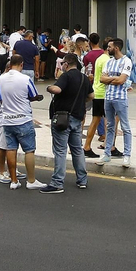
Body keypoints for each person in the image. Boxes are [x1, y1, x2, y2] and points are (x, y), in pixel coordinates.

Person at [41, 53, 90, 194]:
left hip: (63, 119)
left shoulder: (66, 76)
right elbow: (91, 95)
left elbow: (57, 89)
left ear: (66, 64)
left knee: (60, 150)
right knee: (77, 149)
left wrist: (49, 87)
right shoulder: (84, 78)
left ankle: (57, 183)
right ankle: (82, 180)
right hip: (77, 118)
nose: (62, 65)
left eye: (62, 63)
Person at [0, 56, 45, 188]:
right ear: (21, 64)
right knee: (29, 150)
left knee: (11, 149)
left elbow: (0, 99)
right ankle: (31, 181)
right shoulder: (25, 79)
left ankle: (14, 181)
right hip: (23, 119)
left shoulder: (0, 80)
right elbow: (33, 95)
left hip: (7, 120)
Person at [99, 38, 133, 166]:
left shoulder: (126, 61)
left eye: (109, 47)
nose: (107, 49)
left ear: (116, 48)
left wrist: (110, 79)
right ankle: (107, 154)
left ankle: (127, 155)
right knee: (110, 126)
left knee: (125, 127)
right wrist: (115, 78)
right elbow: (102, 79)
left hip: (120, 98)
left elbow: (121, 80)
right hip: (108, 97)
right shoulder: (109, 62)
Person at [82, 34, 108, 157]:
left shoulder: (93, 57)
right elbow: (105, 77)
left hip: (95, 90)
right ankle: (109, 145)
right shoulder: (106, 59)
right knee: (109, 121)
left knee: (95, 120)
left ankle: (87, 146)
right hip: (103, 93)